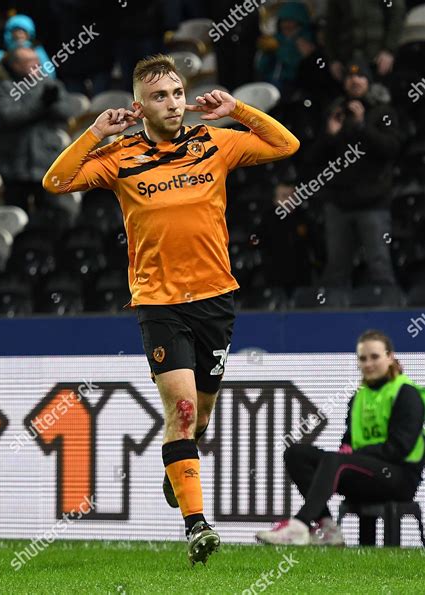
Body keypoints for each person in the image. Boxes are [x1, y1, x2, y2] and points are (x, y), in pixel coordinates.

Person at [43, 54, 300, 565]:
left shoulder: (215, 142)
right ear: (139, 105)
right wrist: (94, 132)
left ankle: (176, 469)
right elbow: (56, 181)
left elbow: (285, 144)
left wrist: (239, 109)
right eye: (160, 96)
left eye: (178, 92)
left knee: (200, 417)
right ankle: (196, 525)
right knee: (180, 412)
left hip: (216, 298)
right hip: (159, 302)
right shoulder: (121, 156)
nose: (174, 103)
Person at [256, 329, 425, 546]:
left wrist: (354, 454)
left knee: (337, 460)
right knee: (297, 454)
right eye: (363, 358)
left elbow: (399, 448)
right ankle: (327, 526)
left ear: (390, 357)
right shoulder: (359, 396)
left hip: (399, 477)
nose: (368, 364)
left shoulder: (406, 393)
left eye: (375, 357)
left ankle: (300, 525)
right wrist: (349, 453)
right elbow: (347, 442)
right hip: (366, 474)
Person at [306, 59, 401, 287]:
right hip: (338, 203)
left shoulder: (383, 112)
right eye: (349, 76)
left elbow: (391, 149)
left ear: (369, 81)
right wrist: (330, 135)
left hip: (373, 201)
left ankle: (386, 317)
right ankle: (333, 320)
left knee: (379, 265)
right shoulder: (335, 113)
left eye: (361, 76)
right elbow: (312, 159)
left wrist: (362, 126)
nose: (354, 80)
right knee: (336, 269)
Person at [0, 47, 72, 212]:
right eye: (28, 61)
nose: (35, 65)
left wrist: (53, 104)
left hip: (46, 162)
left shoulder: (51, 85)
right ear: (15, 65)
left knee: (50, 214)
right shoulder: (3, 89)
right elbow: (10, 116)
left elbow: (68, 112)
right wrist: (42, 105)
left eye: (36, 60)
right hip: (15, 164)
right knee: (16, 213)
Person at [325, 0, 406, 82]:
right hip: (348, 57)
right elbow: (331, 26)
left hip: (378, 56)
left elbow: (396, 17)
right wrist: (333, 58)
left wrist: (389, 50)